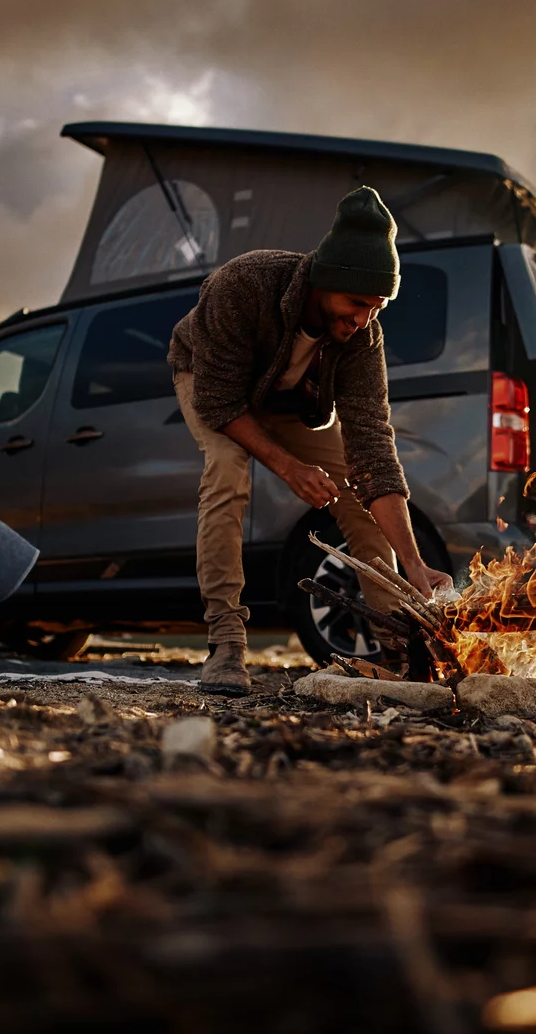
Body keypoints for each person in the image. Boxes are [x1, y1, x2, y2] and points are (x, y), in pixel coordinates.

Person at [167, 186, 453, 696]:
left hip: (289, 400)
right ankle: (227, 644)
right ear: (324, 283)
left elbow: (373, 449)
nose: (364, 318)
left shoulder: (364, 335)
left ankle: (393, 639)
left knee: (355, 486)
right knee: (227, 469)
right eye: (356, 303)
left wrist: (414, 564)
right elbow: (219, 403)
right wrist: (288, 466)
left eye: (378, 306)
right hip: (211, 381)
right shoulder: (244, 284)